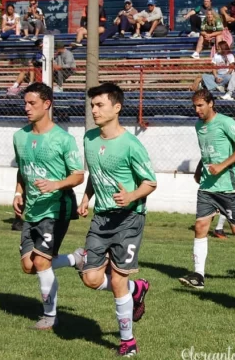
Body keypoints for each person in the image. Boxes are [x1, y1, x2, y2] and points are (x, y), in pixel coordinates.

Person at [59, 83, 155, 356]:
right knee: (90, 278)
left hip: (129, 218)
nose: (94, 110)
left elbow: (150, 182)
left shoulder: (131, 144)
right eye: (92, 105)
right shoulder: (89, 138)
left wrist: (132, 196)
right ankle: (137, 289)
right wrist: (87, 197)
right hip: (101, 218)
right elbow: (96, 173)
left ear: (117, 107)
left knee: (116, 282)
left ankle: (128, 342)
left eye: (100, 105)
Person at [12, 82, 85, 329]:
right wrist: (18, 192)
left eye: (32, 103)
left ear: (47, 104)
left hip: (56, 208)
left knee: (42, 262)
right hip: (31, 209)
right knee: (28, 266)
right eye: (25, 103)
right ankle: (76, 259)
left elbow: (78, 175)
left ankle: (49, 317)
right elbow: (22, 171)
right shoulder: (19, 136)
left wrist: (55, 185)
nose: (26, 108)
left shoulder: (63, 139)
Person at [178, 90, 235, 289]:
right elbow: (206, 153)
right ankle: (198, 275)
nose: (197, 110)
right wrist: (199, 170)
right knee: (200, 227)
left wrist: (222, 166)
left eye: (201, 105)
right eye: (195, 106)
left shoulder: (225, 122)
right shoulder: (198, 126)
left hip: (228, 188)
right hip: (207, 186)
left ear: (211, 103)